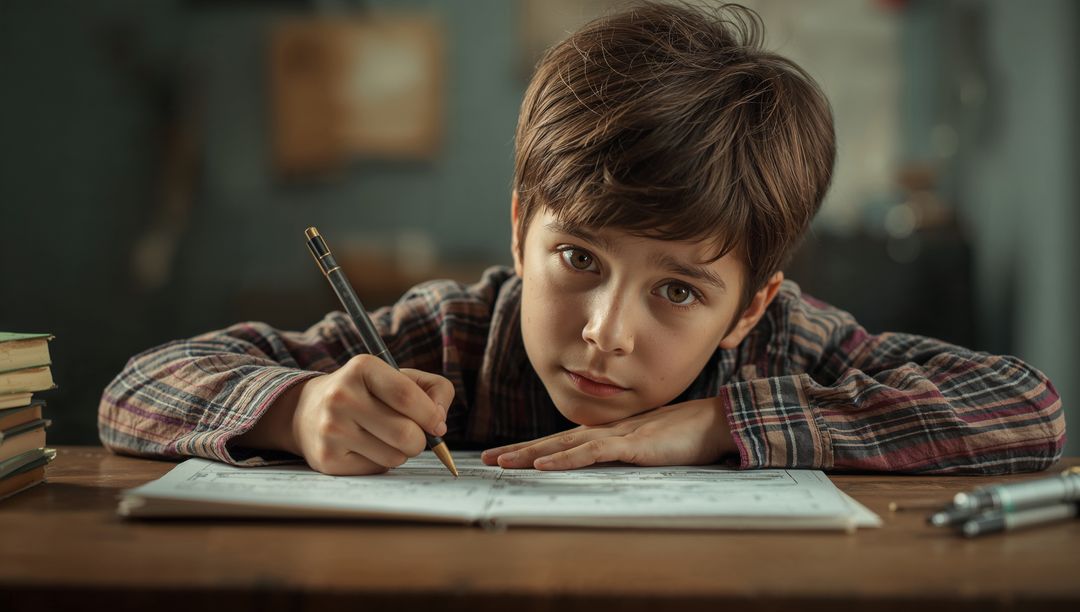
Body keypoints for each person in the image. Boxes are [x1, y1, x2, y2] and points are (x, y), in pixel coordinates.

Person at [99, 2, 1063, 476]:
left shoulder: (783, 347)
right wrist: (301, 411)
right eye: (579, 259)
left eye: (679, 290)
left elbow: (1028, 410)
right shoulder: (450, 338)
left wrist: (725, 424)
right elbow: (135, 390)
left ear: (750, 305)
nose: (605, 332)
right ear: (522, 230)